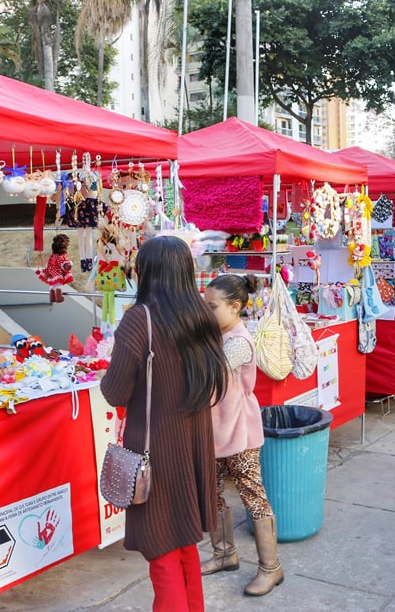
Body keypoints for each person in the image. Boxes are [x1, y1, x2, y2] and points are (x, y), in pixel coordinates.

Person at [100, 236, 228, 612]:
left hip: (155, 447)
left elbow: (115, 391)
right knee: (185, 542)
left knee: (162, 552)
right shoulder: (202, 316)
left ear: (147, 272)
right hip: (193, 444)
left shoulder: (140, 320)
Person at [201, 274, 284, 597]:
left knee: (253, 496)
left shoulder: (239, 341)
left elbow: (211, 372)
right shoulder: (216, 333)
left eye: (212, 307)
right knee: (213, 492)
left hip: (240, 431)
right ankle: (224, 554)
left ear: (235, 307)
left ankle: (271, 567)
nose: (205, 313)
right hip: (213, 429)